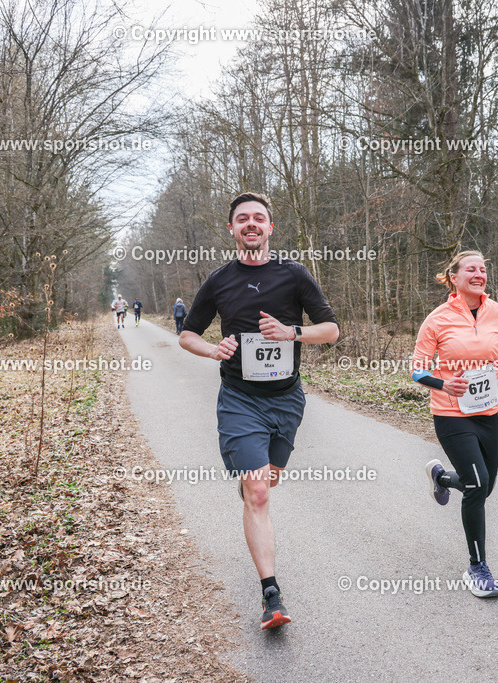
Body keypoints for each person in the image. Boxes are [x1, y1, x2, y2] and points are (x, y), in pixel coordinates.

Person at [178, 193, 339, 629]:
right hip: (239, 399)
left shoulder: (294, 274)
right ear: (231, 229)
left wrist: (293, 332)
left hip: (287, 400)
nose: (251, 224)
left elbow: (332, 330)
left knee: (268, 480)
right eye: (242, 219)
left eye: (259, 218)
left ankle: (251, 490)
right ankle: (271, 594)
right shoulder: (219, 281)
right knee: (260, 492)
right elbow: (187, 335)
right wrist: (214, 349)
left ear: (271, 228)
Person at [410, 250, 498, 598]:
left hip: (488, 413)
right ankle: (477, 568)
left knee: (483, 488)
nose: (478, 274)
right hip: (450, 414)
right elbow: (417, 368)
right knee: (476, 486)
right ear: (454, 277)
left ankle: (441, 477)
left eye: (483, 269)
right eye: (470, 269)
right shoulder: (438, 319)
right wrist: (443, 383)